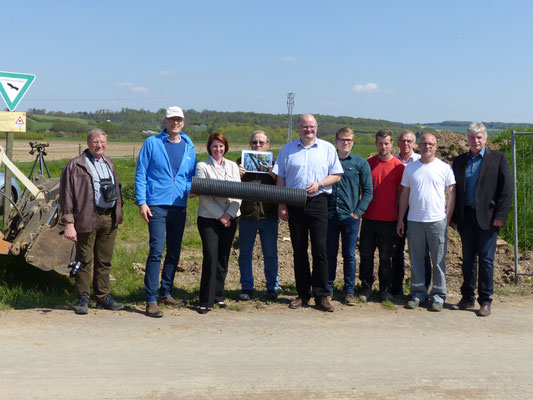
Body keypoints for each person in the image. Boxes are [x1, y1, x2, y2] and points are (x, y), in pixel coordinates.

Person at [273, 114, 343, 312]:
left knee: (320, 250)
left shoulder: (327, 148)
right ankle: (303, 295)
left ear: (317, 128)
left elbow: (336, 175)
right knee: (299, 250)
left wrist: (320, 184)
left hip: (319, 202)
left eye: (311, 126)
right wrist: (282, 204)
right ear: (299, 128)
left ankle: (322, 295)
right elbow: (281, 179)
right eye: (305, 126)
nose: (308, 130)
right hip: (294, 203)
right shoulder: (287, 149)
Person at [135, 106, 197, 318]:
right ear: (165, 122)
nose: (175, 123)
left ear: (183, 122)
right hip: (156, 205)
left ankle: (166, 292)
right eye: (172, 120)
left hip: (179, 206)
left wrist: (191, 190)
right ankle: (151, 299)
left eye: (179, 120)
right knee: (156, 250)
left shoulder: (189, 147)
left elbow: (190, 176)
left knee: (174, 251)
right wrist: (142, 202)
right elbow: (141, 173)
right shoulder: (153, 143)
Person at [451, 122, 512, 317]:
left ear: (485, 139)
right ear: (467, 139)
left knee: (486, 260)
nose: (475, 141)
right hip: (465, 216)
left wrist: (501, 216)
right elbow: (454, 192)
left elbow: (506, 189)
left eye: (479, 137)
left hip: (488, 218)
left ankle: (485, 301)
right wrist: (453, 217)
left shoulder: (498, 159)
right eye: (472, 137)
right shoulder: (459, 161)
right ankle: (467, 296)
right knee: (468, 259)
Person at [60, 128, 124, 315]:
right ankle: (83, 297)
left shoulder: (109, 163)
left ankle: (103, 297)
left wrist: (118, 213)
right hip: (87, 217)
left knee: (105, 260)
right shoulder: (75, 165)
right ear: (88, 143)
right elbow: (66, 196)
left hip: (109, 217)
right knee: (84, 259)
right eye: (96, 142)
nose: (99, 145)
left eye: (102, 142)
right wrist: (69, 223)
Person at [397, 134, 456, 312]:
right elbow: (405, 195)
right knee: (416, 260)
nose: (427, 147)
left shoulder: (444, 168)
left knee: (438, 261)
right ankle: (417, 294)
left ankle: (438, 296)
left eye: (430, 144)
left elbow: (451, 194)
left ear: (436, 146)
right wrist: (400, 218)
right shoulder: (410, 169)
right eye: (424, 144)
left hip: (437, 221)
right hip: (414, 220)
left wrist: (447, 217)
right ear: (419, 146)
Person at [196, 132, 241, 314]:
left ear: (225, 147)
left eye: (221, 146)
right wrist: (220, 216)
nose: (218, 149)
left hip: (231, 218)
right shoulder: (202, 167)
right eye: (214, 146)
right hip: (209, 219)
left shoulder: (232, 166)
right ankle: (205, 300)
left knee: (223, 257)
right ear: (209, 147)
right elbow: (204, 196)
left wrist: (228, 215)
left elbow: (240, 193)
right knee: (211, 257)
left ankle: (219, 295)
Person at [326, 128, 373, 306]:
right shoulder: (328, 161)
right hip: (330, 215)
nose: (346, 142)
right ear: (336, 141)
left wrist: (357, 213)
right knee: (329, 253)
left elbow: (368, 191)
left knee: (349, 255)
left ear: (353, 142)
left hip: (350, 217)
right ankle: (328, 288)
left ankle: (349, 291)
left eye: (350, 140)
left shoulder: (360, 163)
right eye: (343, 139)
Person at [358, 129, 405, 302]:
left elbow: (402, 195)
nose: (383, 146)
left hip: (389, 221)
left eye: (386, 143)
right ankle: (366, 287)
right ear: (376, 144)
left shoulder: (399, 167)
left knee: (386, 258)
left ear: (392, 144)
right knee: (366, 255)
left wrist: (400, 218)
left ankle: (385, 290)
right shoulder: (368, 164)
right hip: (369, 219)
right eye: (380, 143)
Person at [237, 130, 279, 301]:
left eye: (261, 143)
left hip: (268, 216)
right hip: (247, 216)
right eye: (255, 142)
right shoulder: (240, 163)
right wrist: (236, 175)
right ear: (250, 144)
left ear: (267, 145)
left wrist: (276, 177)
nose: (258, 146)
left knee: (270, 253)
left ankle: (272, 287)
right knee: (245, 254)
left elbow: (284, 189)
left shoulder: (275, 166)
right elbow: (230, 187)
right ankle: (247, 287)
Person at [391, 130, 432, 295]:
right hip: (397, 212)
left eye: (409, 141)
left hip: (418, 212)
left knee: (421, 253)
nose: (406, 144)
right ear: (398, 143)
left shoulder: (421, 161)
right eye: (402, 141)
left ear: (415, 144)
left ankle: (423, 289)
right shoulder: (392, 161)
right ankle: (396, 289)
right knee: (396, 251)